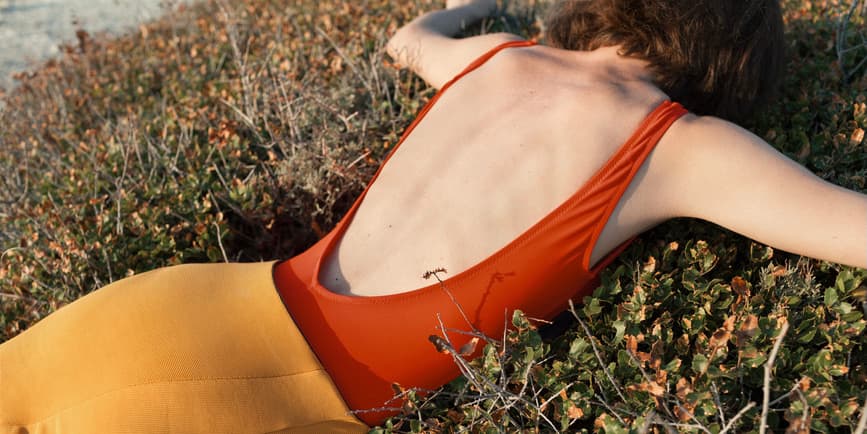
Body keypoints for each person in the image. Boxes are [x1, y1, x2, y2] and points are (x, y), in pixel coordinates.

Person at [1, 0, 865, 432]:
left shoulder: (498, 54)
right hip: (248, 399)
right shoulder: (680, 147)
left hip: (169, 306)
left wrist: (475, 2)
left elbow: (407, 38)